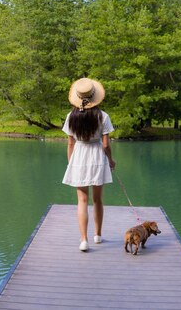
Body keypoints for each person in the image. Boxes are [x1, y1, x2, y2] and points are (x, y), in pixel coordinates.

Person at [62, 78, 115, 252]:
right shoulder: (103, 116)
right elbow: (106, 145)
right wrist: (111, 160)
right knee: (97, 199)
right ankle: (98, 236)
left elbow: (70, 144)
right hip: (97, 156)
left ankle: (84, 240)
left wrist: (72, 163)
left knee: (82, 200)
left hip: (79, 156)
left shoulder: (71, 116)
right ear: (95, 97)